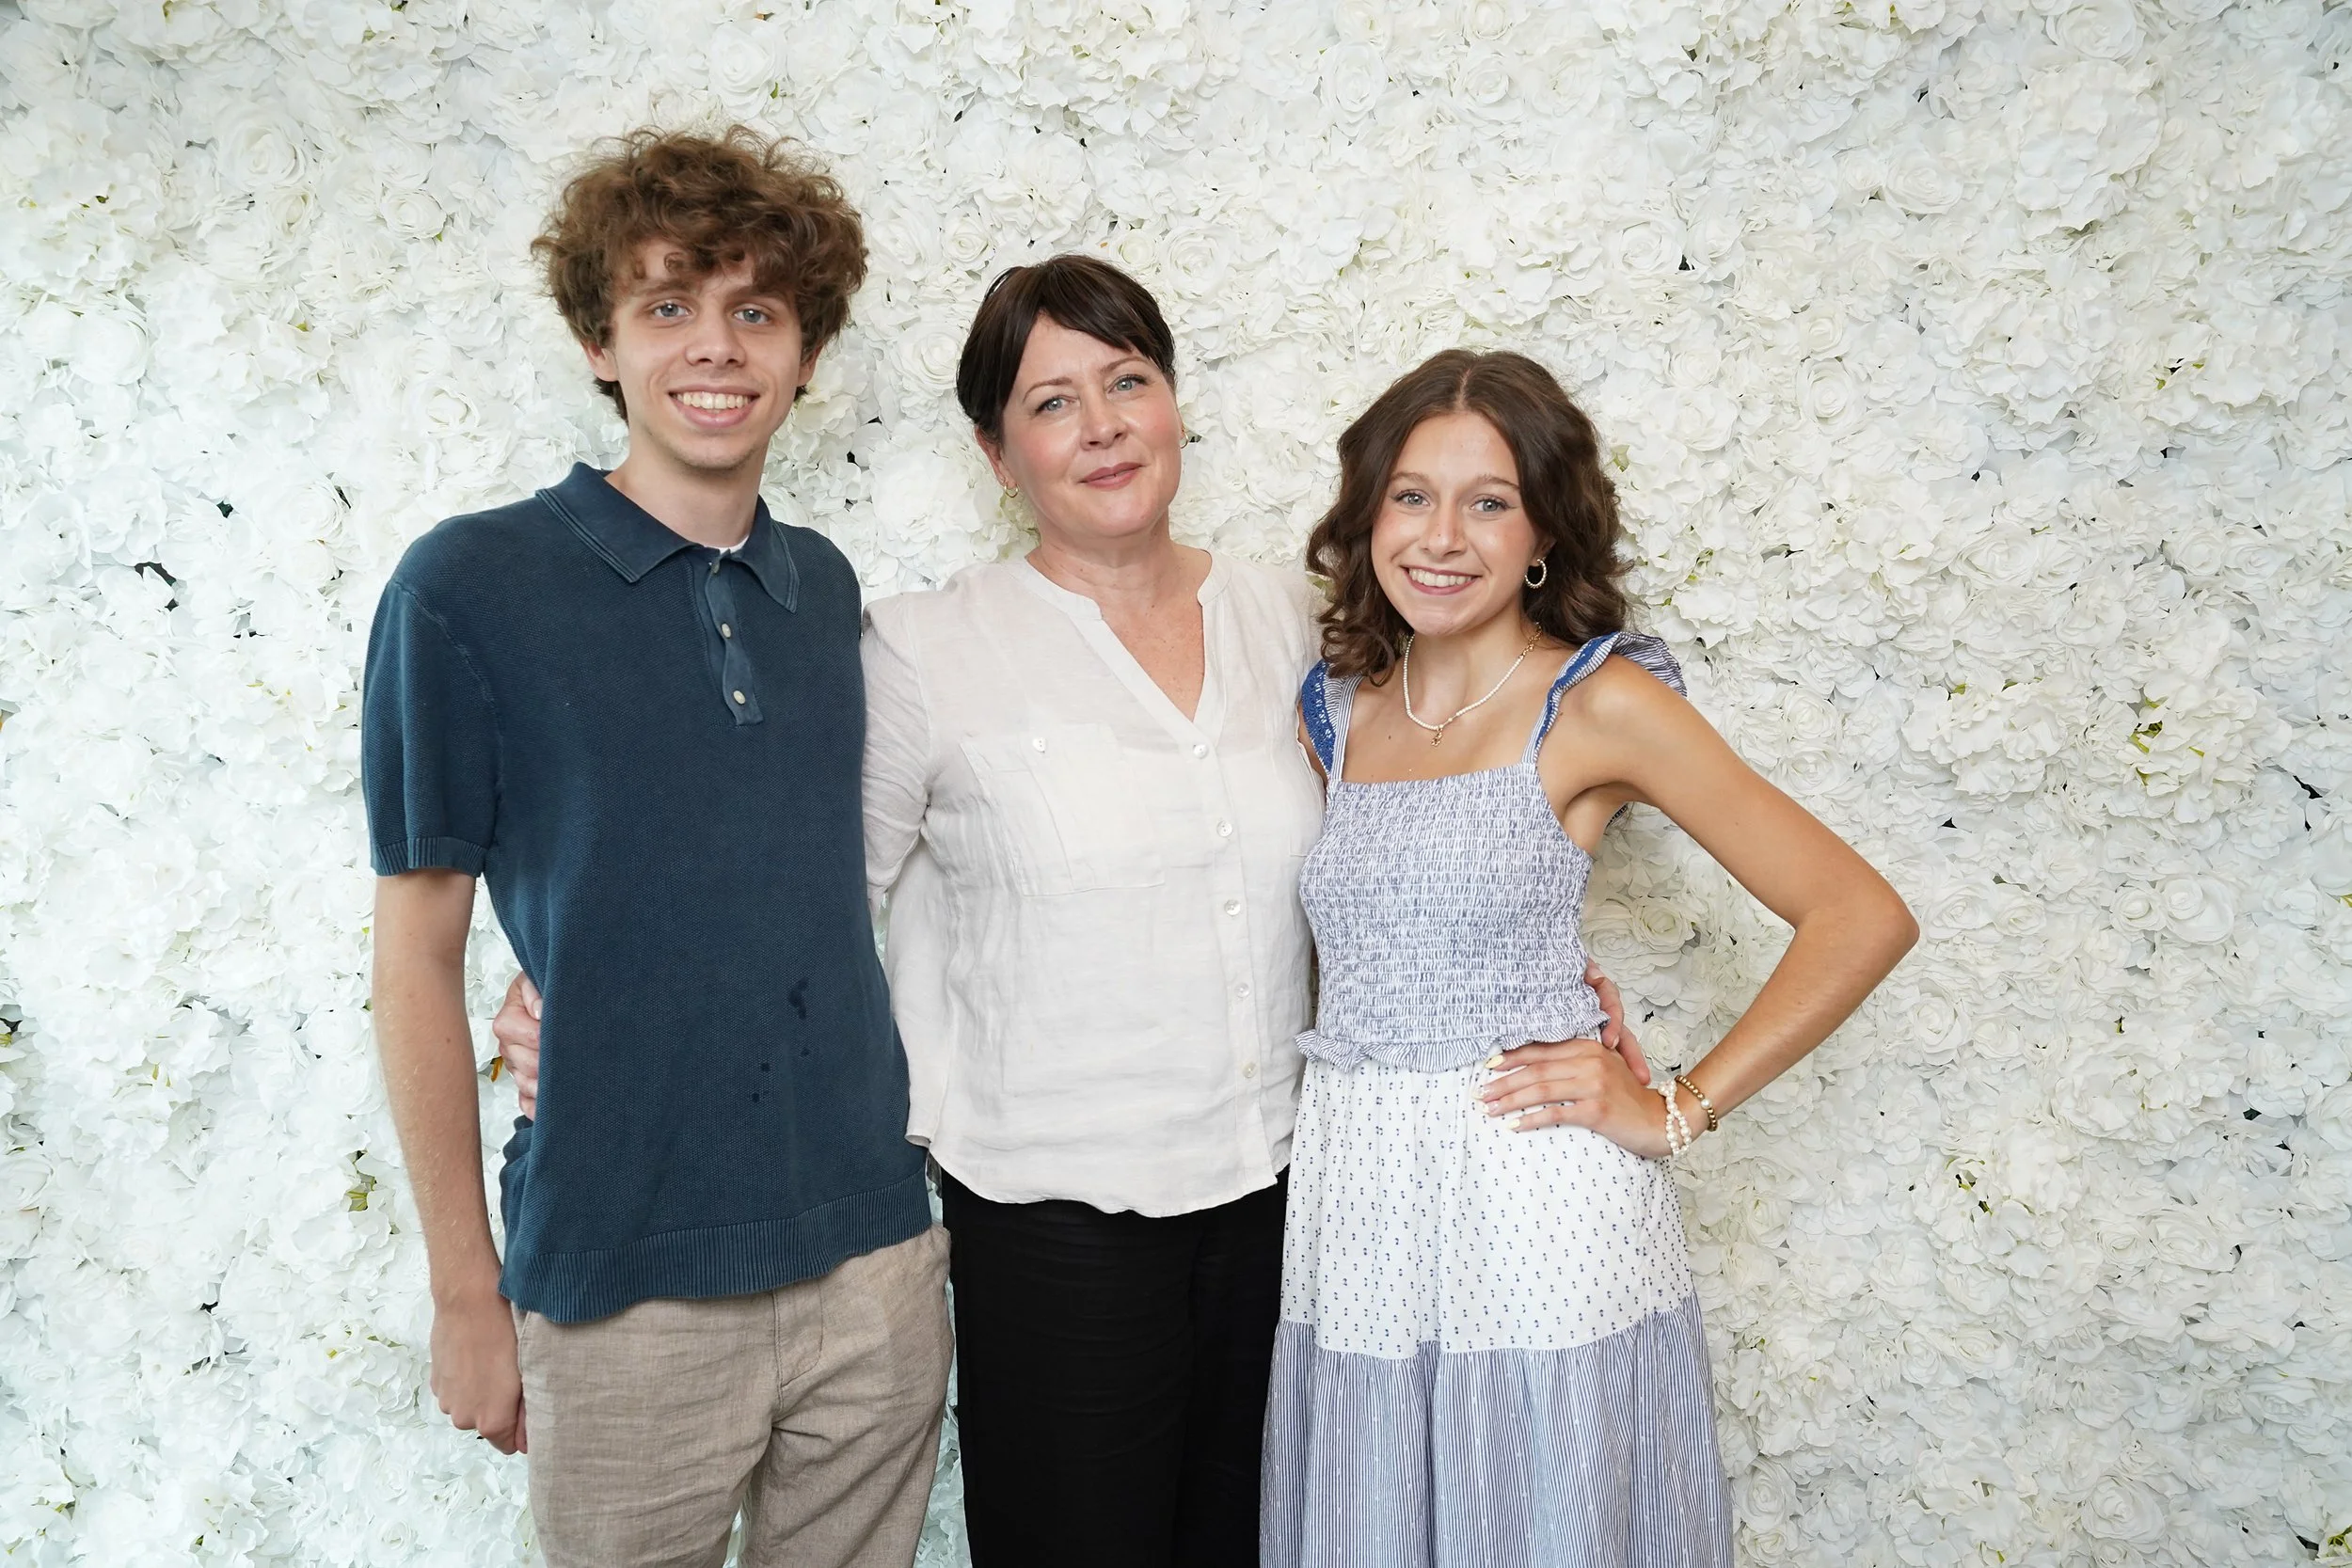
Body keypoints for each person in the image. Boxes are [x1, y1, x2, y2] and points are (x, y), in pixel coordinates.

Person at [496, 256, 1645, 1564]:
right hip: (1051, 1227)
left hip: (1292, 1203)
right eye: (1051, 404)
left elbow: (1427, 815)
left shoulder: (1298, 621)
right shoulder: (927, 650)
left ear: (1172, 406)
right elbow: (802, 903)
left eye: (1126, 382)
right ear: (998, 455)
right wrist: (603, 1000)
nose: (1099, 425)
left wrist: (1549, 992)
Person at [361, 127, 949, 1568]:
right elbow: (417, 951)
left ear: (807, 353)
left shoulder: (822, 590)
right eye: (668, 305)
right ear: (597, 341)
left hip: (872, 1253)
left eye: (757, 309)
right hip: (622, 1281)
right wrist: (463, 1291)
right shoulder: (467, 585)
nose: (717, 346)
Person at [1261, 350, 1919, 1567]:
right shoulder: (1335, 705)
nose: (1442, 535)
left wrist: (1676, 1104)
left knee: (1540, 1521)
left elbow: (1858, 911)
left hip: (1532, 1208)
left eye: (1489, 500)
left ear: (1544, 531)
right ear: (1367, 514)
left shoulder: (1596, 703)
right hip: (1361, 1212)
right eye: (1411, 495)